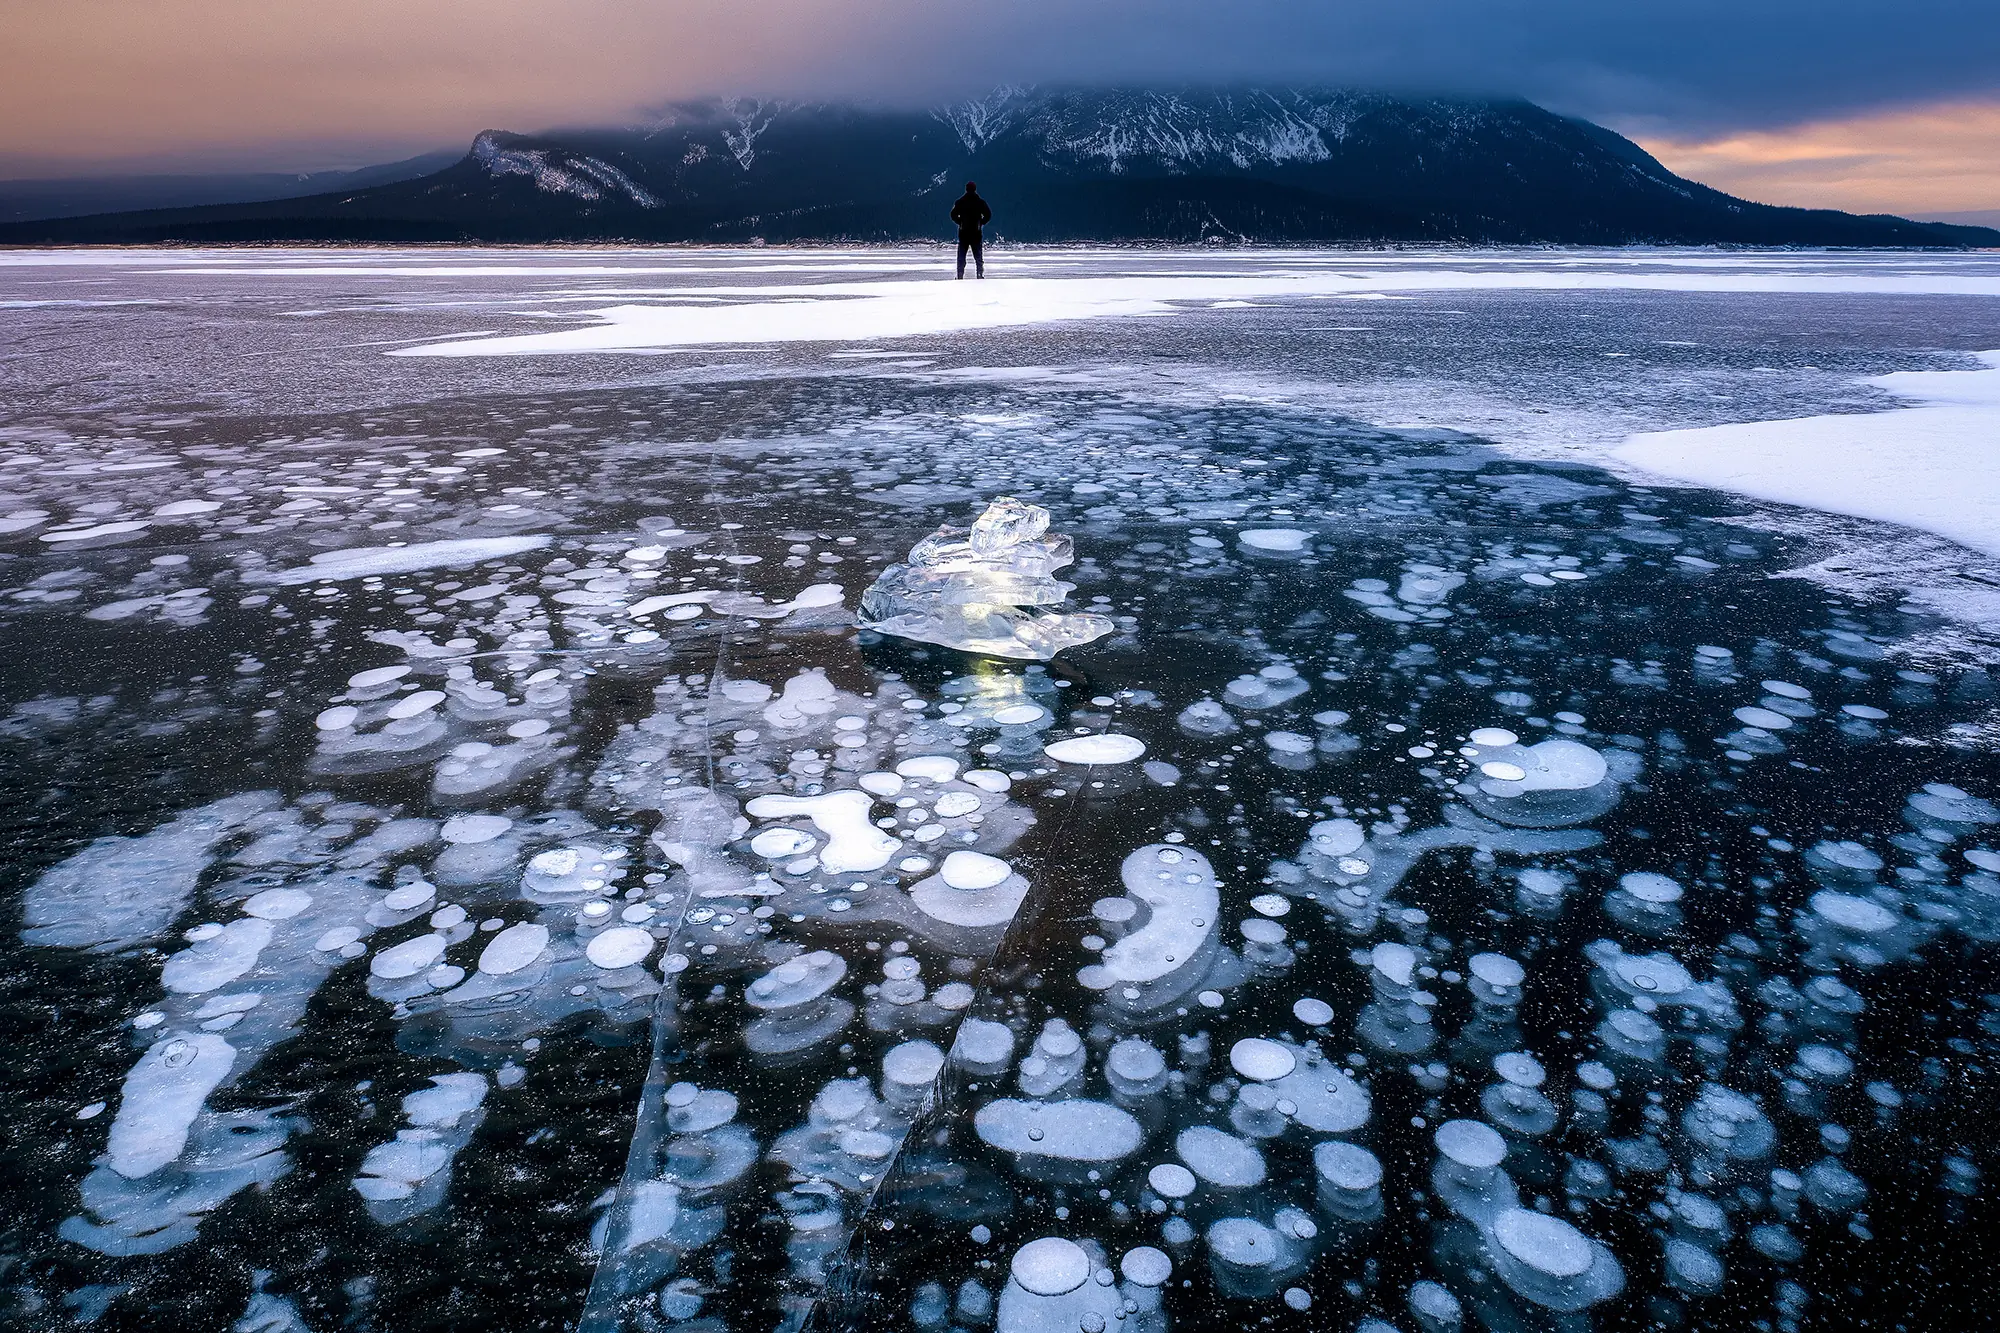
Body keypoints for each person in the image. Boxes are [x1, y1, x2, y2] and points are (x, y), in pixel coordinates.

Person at [950, 182, 991, 279]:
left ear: (966, 189)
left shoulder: (960, 202)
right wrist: (981, 223)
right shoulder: (980, 202)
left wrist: (960, 222)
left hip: (963, 233)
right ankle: (979, 275)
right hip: (976, 233)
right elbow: (988, 214)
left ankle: (960, 276)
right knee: (978, 257)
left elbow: (953, 215)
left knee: (961, 257)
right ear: (975, 189)